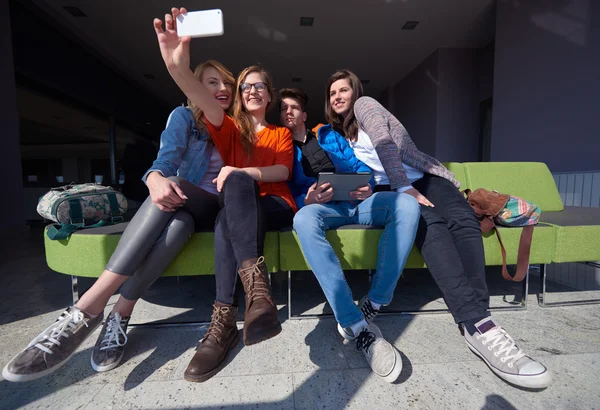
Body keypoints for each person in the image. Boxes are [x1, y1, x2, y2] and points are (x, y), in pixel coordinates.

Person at [2, 60, 236, 382]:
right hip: (181, 209)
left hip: (213, 207)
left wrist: (164, 181)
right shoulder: (184, 118)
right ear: (196, 88)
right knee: (178, 223)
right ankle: (118, 315)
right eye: (212, 82)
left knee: (175, 186)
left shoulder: (235, 128)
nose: (222, 89)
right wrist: (154, 177)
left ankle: (85, 309)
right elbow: (167, 158)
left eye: (227, 84)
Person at [328, 69, 552, 389]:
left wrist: (405, 186)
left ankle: (478, 321)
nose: (337, 96)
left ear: (355, 92)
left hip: (422, 178)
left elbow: (383, 140)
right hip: (393, 191)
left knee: (461, 220)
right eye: (332, 92)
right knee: (430, 226)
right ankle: (478, 324)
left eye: (343, 90)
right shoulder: (337, 136)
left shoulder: (365, 105)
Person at [154, 7, 296, 383]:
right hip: (236, 208)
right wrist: (178, 69)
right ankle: (232, 314)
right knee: (225, 214)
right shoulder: (229, 127)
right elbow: (198, 95)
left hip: (275, 203)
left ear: (268, 95)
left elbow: (282, 172)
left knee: (236, 183)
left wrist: (240, 171)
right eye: (245, 85)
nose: (251, 90)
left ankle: (239, 306)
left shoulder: (280, 133)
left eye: (258, 86)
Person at [281, 88, 420, 383]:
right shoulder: (281, 147)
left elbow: (360, 168)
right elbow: (286, 191)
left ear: (304, 115)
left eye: (294, 107)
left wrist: (367, 185)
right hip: (322, 208)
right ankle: (354, 323)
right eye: (283, 109)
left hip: (357, 203)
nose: (288, 112)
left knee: (406, 204)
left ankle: (376, 300)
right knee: (303, 219)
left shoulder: (330, 136)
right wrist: (307, 200)